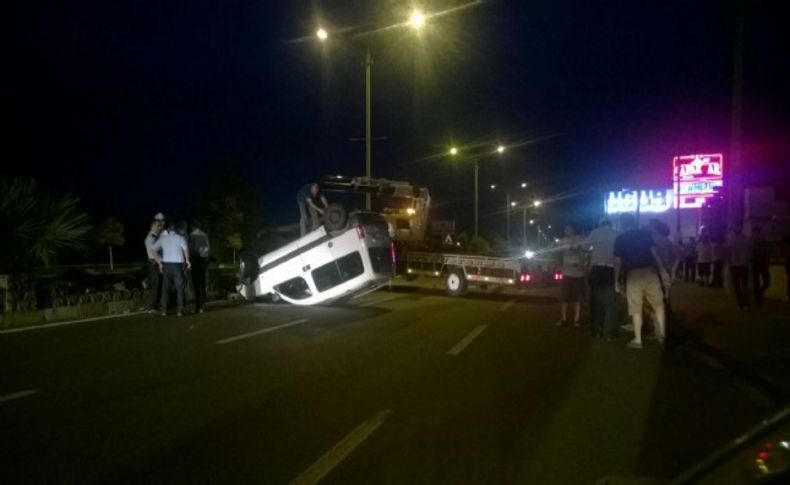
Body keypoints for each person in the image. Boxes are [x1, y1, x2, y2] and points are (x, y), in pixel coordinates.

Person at [614, 213, 671, 350]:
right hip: (650, 272)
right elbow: (655, 253)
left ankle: (638, 340)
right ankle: (661, 336)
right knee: (658, 305)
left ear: (622, 224)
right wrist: (662, 271)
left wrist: (616, 280)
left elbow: (617, 262)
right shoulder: (645, 234)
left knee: (636, 308)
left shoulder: (620, 239)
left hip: (633, 275)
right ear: (633, 222)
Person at [585, 217, 620, 339]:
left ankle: (596, 330)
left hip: (597, 270)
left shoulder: (595, 232)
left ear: (600, 224)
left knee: (596, 301)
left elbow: (585, 247)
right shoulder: (617, 234)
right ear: (610, 224)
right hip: (610, 270)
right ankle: (608, 332)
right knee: (610, 303)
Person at [153, 221, 191, 316]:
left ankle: (164, 310)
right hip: (177, 265)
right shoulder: (180, 238)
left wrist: (159, 260)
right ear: (176, 230)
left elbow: (153, 249)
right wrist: (187, 260)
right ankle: (180, 310)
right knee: (179, 288)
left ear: (168, 230)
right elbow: (185, 249)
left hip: (166, 265)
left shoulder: (163, 238)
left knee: (165, 288)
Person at [556, 223, 587, 327]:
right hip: (566, 273)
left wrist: (583, 266)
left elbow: (586, 253)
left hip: (578, 274)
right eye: (565, 229)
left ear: (573, 230)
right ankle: (564, 318)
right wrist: (559, 265)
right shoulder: (562, 242)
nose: (566, 231)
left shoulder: (582, 240)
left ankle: (576, 320)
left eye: (568, 229)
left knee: (577, 299)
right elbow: (557, 254)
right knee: (564, 298)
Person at [726, 223, 751, 311]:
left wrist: (729, 263)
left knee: (738, 286)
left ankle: (741, 304)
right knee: (743, 286)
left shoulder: (731, 239)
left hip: (736, 265)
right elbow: (749, 253)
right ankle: (745, 304)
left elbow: (728, 253)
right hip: (742, 265)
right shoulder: (746, 239)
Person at [189, 224, 211, 313]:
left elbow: (189, 248)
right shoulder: (204, 235)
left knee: (196, 284)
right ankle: (203, 303)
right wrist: (205, 257)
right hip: (203, 260)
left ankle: (198, 305)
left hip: (195, 259)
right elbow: (208, 248)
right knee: (202, 282)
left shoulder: (191, 236)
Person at [143, 219, 163, 311]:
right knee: (156, 283)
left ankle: (156, 303)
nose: (160, 227)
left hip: (154, 262)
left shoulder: (154, 237)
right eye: (158, 225)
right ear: (153, 225)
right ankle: (153, 305)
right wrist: (160, 262)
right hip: (153, 262)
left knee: (157, 283)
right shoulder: (151, 237)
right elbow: (153, 252)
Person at [751, 226, 770, 305]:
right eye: (754, 233)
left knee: (767, 282)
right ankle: (758, 299)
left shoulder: (764, 242)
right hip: (755, 265)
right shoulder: (751, 243)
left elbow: (767, 253)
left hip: (763, 264)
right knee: (756, 283)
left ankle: (758, 293)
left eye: (756, 233)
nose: (755, 234)